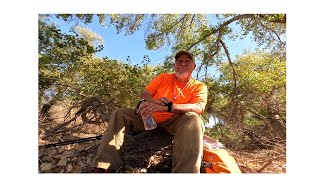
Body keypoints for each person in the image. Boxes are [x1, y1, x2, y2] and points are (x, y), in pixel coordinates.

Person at [91, 50, 208, 173]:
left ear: (194, 66)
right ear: (174, 65)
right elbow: (145, 94)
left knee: (194, 118)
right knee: (120, 113)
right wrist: (150, 103)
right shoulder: (163, 77)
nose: (183, 64)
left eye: (187, 61)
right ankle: (105, 164)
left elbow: (198, 107)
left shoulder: (199, 86)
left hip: (173, 122)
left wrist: (169, 107)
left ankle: (185, 173)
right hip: (149, 118)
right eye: (179, 61)